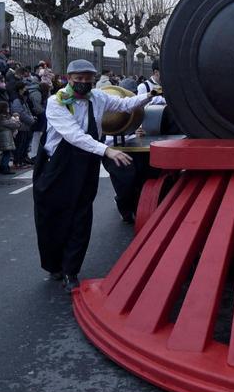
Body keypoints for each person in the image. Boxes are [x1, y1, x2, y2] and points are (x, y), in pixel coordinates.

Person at [33, 59, 157, 291]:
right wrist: (107, 150)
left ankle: (72, 270)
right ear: (69, 79)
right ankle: (54, 264)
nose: (83, 83)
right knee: (52, 215)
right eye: (78, 79)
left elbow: (125, 105)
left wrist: (148, 97)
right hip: (57, 166)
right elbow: (74, 135)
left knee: (80, 216)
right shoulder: (56, 102)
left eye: (87, 79)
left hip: (86, 164)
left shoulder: (98, 97)